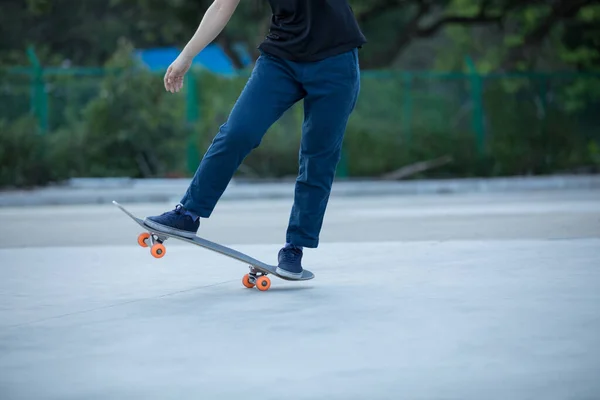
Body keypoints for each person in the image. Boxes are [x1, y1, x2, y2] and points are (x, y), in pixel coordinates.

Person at [145, 0, 366, 279]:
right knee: (238, 132)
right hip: (281, 59)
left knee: (318, 156)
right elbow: (221, 6)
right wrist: (186, 55)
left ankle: (295, 246)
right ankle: (188, 214)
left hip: (335, 61)